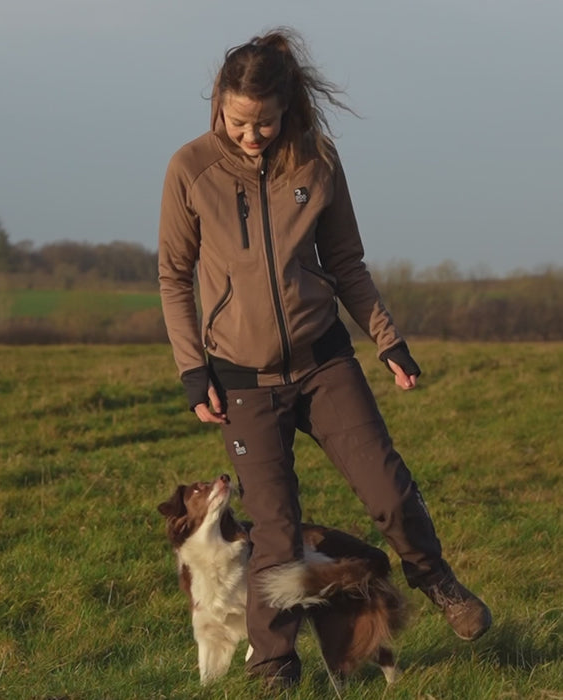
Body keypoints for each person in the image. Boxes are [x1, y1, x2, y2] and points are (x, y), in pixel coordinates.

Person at [158, 27, 491, 689]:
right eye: (237, 122)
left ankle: (438, 582)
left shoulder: (315, 162)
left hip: (324, 362)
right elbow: (173, 275)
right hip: (242, 381)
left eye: (265, 123)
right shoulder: (189, 169)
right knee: (275, 535)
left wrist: (387, 339)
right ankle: (276, 665)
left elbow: (346, 264)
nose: (251, 136)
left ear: (287, 109)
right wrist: (193, 369)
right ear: (218, 107)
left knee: (390, 491)